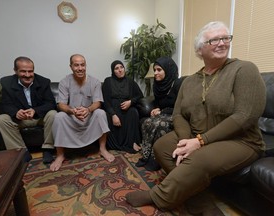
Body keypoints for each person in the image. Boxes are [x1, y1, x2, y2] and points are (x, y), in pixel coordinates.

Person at [125, 21, 266, 212]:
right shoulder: (190, 81)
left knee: (198, 159)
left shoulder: (243, 69)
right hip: (198, 136)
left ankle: (159, 196)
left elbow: (245, 116)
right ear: (200, 49)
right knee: (162, 147)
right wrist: (185, 140)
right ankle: (198, 198)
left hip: (240, 141)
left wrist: (200, 141)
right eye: (214, 40)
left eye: (226, 38)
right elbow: (178, 114)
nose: (222, 43)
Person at [50, 54, 115, 171]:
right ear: (71, 67)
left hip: (88, 117)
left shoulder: (94, 82)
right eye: (76, 65)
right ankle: (60, 155)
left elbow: (98, 102)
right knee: (59, 116)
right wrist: (72, 111)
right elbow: (61, 104)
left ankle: (102, 149)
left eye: (82, 65)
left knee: (100, 113)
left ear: (86, 66)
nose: (80, 68)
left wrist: (88, 109)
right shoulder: (64, 82)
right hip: (72, 117)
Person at [0, 56, 57, 163]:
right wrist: (16, 112)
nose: (27, 75)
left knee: (53, 114)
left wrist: (35, 110)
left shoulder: (43, 82)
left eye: (30, 71)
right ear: (15, 71)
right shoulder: (6, 82)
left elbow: (51, 103)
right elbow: (5, 104)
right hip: (19, 119)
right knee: (1, 119)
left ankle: (48, 149)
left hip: (39, 117)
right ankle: (21, 152)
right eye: (23, 71)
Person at [135, 57, 183, 171]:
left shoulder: (178, 84)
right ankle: (146, 155)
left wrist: (162, 111)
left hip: (176, 114)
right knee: (147, 122)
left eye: (159, 70)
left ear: (168, 69)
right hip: (164, 113)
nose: (155, 73)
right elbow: (159, 103)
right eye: (155, 69)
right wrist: (156, 109)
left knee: (158, 124)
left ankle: (156, 158)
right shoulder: (157, 85)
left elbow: (180, 107)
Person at [102, 60, 143, 153]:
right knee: (106, 115)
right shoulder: (108, 81)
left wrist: (131, 102)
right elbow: (105, 101)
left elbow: (139, 95)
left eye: (121, 67)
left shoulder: (130, 81)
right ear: (113, 71)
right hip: (112, 109)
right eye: (117, 68)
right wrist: (113, 115)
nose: (120, 70)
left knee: (133, 112)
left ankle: (133, 141)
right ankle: (115, 144)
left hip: (127, 108)